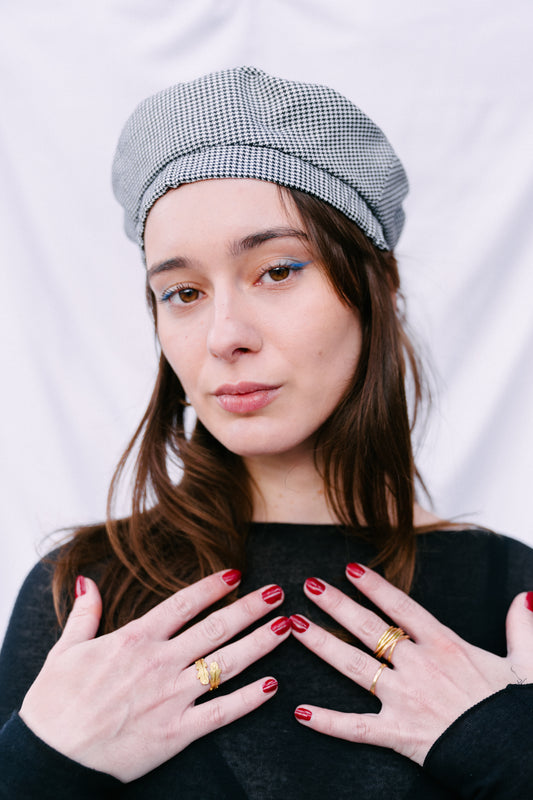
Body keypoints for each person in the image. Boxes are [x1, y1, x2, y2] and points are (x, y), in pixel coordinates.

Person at [0, 66, 532, 799]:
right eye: (182, 293)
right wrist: (37, 766)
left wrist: (503, 747)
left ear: (376, 285)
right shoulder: (83, 593)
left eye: (277, 270)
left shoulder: (505, 591)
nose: (224, 335)